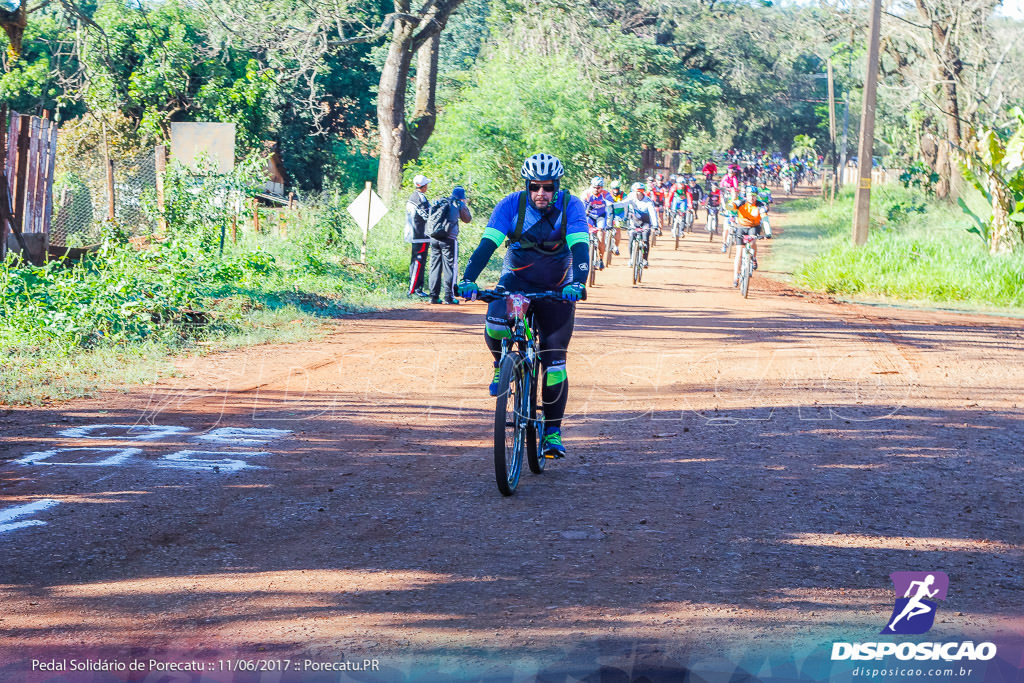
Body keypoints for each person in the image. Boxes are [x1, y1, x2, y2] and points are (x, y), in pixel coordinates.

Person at [456, 153, 589, 459]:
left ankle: (552, 432)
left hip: (558, 288)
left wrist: (577, 284)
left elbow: (581, 248)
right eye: (535, 187)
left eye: (547, 187)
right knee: (496, 322)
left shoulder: (571, 206)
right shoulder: (510, 205)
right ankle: (500, 363)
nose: (541, 193)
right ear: (527, 186)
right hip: (516, 282)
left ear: (557, 186)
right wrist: (468, 279)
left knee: (555, 361)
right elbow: (486, 247)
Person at [428, 186, 473, 304]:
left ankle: (433, 296)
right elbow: (467, 219)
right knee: (450, 267)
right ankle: (449, 296)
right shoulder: (458, 204)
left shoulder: (442, 201)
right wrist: (463, 204)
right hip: (449, 239)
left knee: (434, 266)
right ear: (462, 197)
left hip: (433, 237)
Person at [728, 186, 771, 287]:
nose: (751, 198)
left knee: (752, 242)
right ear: (746, 196)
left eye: (754, 196)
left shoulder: (760, 205)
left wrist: (768, 232)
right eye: (749, 196)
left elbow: (765, 218)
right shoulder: (741, 202)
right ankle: (736, 276)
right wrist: (729, 204)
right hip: (741, 227)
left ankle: (754, 258)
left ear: (756, 197)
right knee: (739, 252)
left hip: (754, 227)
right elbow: (731, 205)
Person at [405, 175, 432, 298]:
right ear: (423, 186)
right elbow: (426, 215)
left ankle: (417, 288)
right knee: (418, 261)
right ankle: (413, 289)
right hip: (419, 235)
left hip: (418, 235)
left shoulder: (416, 197)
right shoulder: (419, 199)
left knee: (419, 261)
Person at [582, 176, 615, 269]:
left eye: (598, 187)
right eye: (594, 187)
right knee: (585, 234)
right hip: (590, 216)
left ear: (602, 188)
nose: (596, 189)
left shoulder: (606, 194)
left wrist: (610, 222)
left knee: (600, 236)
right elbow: (581, 208)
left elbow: (611, 207)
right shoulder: (586, 194)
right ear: (591, 186)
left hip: (601, 216)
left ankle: (600, 259)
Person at [626, 182, 659, 268]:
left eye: (641, 191)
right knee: (631, 237)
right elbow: (625, 209)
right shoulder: (630, 198)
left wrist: (655, 225)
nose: (638, 193)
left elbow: (652, 213)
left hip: (645, 222)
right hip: (634, 222)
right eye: (637, 191)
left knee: (645, 239)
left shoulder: (648, 201)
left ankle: (645, 259)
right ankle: (631, 259)